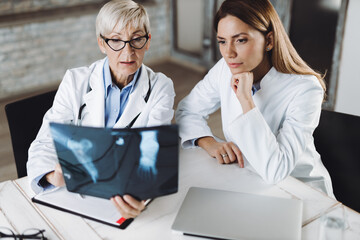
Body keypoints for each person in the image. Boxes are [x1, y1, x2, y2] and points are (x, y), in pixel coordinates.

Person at [27, 0, 176, 218]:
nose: (128, 51)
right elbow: (44, 142)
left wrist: (141, 193)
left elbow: (154, 153)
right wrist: (52, 175)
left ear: (147, 42)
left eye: (136, 39)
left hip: (122, 198)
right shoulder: (75, 81)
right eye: (116, 40)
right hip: (75, 198)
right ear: (101, 43)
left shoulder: (161, 87)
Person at [176, 0, 334, 197]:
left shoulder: (305, 89)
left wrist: (246, 101)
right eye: (222, 41)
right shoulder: (224, 69)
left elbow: (276, 170)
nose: (229, 53)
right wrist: (208, 142)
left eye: (240, 40)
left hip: (301, 190)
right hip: (248, 179)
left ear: (269, 40)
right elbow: (187, 111)